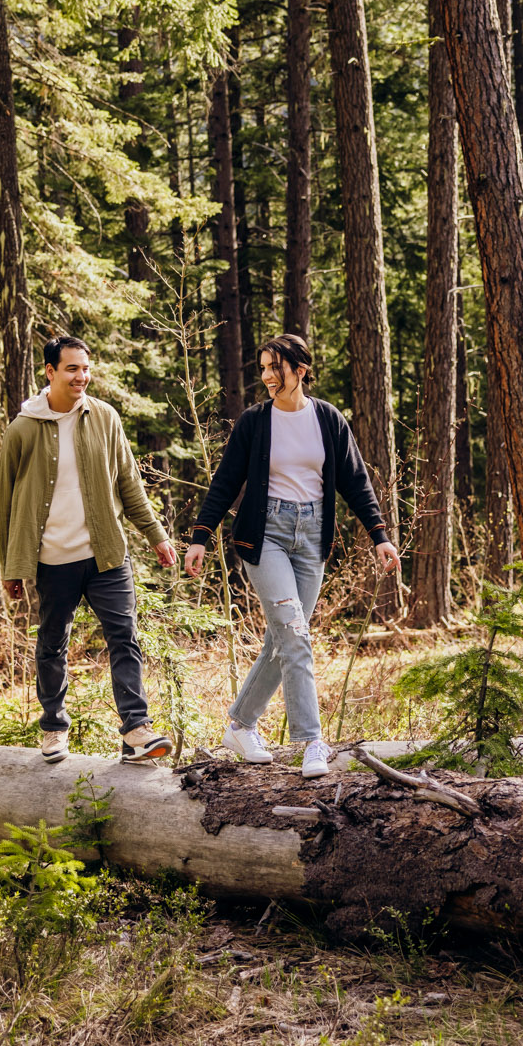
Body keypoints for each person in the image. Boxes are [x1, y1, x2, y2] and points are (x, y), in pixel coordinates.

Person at [185, 333, 400, 778]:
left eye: (274, 368)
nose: (266, 376)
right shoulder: (254, 422)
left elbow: (355, 482)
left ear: (299, 371)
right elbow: (226, 481)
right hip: (265, 538)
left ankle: (240, 724)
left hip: (313, 539)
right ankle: (311, 740)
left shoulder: (328, 419)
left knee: (283, 639)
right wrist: (200, 535)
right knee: (296, 634)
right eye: (262, 368)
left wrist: (379, 534)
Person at [0, 335, 179, 765]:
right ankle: (54, 728)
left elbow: (128, 483)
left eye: (85, 368)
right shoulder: (23, 428)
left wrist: (157, 534)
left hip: (106, 555)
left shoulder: (104, 417)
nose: (82, 377)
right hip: (52, 560)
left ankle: (136, 731)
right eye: (72, 369)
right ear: (50, 372)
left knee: (124, 637)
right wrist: (11, 565)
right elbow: (5, 501)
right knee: (52, 644)